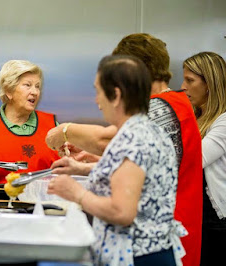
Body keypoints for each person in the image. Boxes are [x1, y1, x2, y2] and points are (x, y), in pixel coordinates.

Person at [46, 33, 203, 266]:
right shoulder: (145, 126)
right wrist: (83, 166)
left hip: (142, 252)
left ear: (118, 93)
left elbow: (122, 211)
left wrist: (75, 192)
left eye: (99, 91)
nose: (97, 102)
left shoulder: (142, 128)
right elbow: (135, 169)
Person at [182, 51, 226, 266]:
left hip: (216, 221)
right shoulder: (197, 118)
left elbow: (193, 159)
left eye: (190, 80)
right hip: (197, 216)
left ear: (209, 84)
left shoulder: (224, 121)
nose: (183, 86)